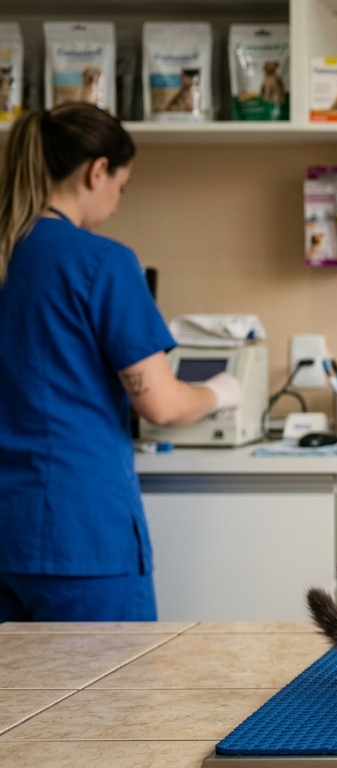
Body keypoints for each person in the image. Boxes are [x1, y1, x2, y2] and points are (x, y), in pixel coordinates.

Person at [0, 103, 242, 621]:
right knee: (111, 698)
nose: (114, 205)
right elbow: (162, 405)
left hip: (8, 534)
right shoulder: (100, 262)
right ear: (97, 170)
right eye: (120, 187)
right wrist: (222, 391)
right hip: (78, 533)